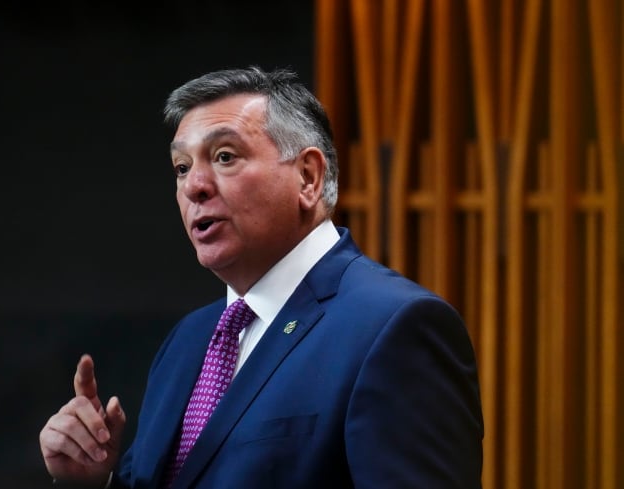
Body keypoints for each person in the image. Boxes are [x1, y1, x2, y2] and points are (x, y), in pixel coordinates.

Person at [39, 66, 483, 488]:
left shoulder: (394, 327)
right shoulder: (187, 340)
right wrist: (93, 482)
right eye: (181, 167)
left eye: (224, 156)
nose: (194, 185)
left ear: (308, 178)